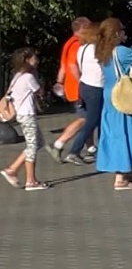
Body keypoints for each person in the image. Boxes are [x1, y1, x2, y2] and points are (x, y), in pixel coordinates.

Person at [93, 18, 132, 190]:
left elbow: (128, 54)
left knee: (115, 133)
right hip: (124, 96)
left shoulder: (103, 51)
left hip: (110, 96)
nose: (124, 32)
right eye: (121, 29)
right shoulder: (119, 51)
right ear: (115, 33)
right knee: (123, 133)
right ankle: (120, 178)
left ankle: (126, 170)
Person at [1, 48, 49, 191]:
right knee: (32, 146)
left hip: (23, 114)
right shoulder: (29, 77)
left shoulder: (17, 76)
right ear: (27, 60)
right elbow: (39, 92)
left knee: (38, 142)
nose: (37, 60)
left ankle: (12, 169)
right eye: (34, 58)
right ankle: (30, 181)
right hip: (26, 114)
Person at [47, 16, 91, 162]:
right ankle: (58, 144)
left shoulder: (69, 43)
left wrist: (60, 82)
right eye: (89, 27)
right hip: (78, 87)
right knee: (84, 118)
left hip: (72, 87)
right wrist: (82, 83)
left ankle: (90, 148)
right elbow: (72, 65)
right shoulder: (77, 44)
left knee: (88, 116)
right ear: (82, 29)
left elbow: (63, 66)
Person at [65, 25, 104, 163]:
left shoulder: (83, 48)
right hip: (95, 87)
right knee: (92, 121)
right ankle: (74, 151)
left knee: (96, 119)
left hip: (84, 85)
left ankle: (98, 149)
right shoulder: (97, 50)